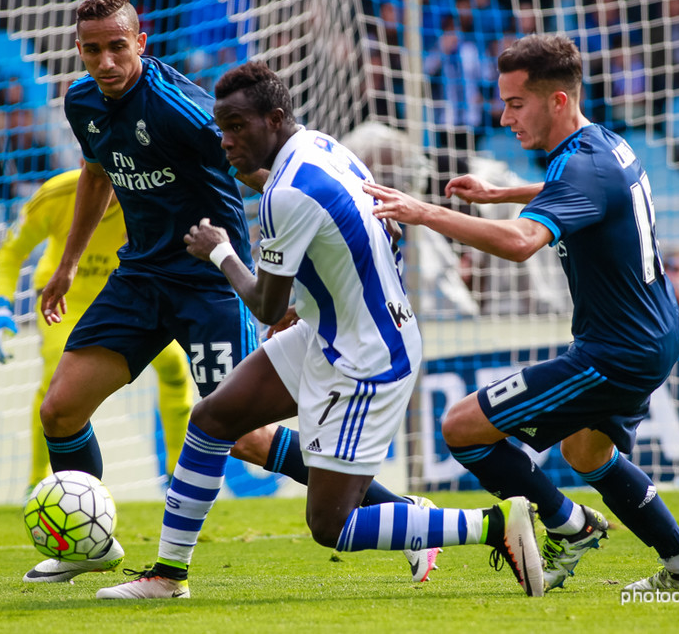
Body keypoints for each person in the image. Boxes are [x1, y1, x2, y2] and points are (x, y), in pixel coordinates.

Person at [24, 0, 438, 585]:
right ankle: (90, 546)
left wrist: (284, 276)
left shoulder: (183, 112)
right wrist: (67, 262)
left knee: (242, 434)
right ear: (79, 51)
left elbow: (268, 163)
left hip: (209, 284)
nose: (106, 62)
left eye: (118, 47)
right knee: (59, 410)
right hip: (141, 277)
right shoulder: (82, 102)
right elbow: (96, 174)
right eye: (92, 50)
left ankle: (401, 514)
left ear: (140, 43)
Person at [94, 61, 544, 601]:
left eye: (237, 128)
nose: (226, 141)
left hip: (367, 359)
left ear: (274, 119)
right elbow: (378, 226)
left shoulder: (286, 194)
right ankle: (169, 576)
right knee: (214, 419)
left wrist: (219, 251)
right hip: (334, 330)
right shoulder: (324, 148)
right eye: (221, 128)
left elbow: (265, 305)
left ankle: (493, 526)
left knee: (331, 526)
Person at [363, 33, 679, 593]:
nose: (504, 118)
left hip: (615, 352)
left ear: (557, 100)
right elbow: (586, 194)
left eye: (515, 103)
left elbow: (521, 242)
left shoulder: (581, 168)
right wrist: (498, 193)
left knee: (460, 429)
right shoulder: (604, 147)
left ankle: (568, 526)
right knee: (586, 453)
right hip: (652, 337)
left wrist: (425, 212)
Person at [0, 169, 196, 492]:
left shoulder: (143, 195)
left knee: (175, 366)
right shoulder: (57, 194)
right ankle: (38, 481)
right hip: (65, 300)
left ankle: (178, 477)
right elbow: (12, 251)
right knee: (56, 377)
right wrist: (2, 307)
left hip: (128, 298)